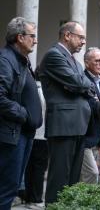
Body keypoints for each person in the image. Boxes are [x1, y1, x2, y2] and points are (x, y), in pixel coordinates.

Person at [40, 21, 96, 204]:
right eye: (80, 37)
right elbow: (79, 83)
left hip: (78, 126)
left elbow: (85, 86)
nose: (83, 42)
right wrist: (80, 85)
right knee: (59, 179)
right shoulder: (53, 55)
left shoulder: (75, 62)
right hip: (63, 126)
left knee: (72, 181)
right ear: (67, 35)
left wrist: (80, 85)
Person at [0, 17, 42, 210]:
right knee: (6, 188)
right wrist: (24, 114)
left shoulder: (21, 60)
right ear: (19, 37)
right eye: (32, 36)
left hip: (22, 134)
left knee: (12, 185)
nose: (35, 40)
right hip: (12, 134)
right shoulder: (6, 59)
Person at [80, 47, 100, 184]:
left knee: (88, 177)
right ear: (86, 63)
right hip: (85, 136)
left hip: (98, 138)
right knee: (92, 173)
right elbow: (94, 107)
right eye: (97, 61)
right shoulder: (82, 79)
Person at [24, 66, 48, 209]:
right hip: (42, 135)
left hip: (30, 134)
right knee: (39, 168)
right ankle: (36, 198)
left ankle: (28, 196)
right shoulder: (45, 92)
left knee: (29, 167)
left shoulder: (32, 89)